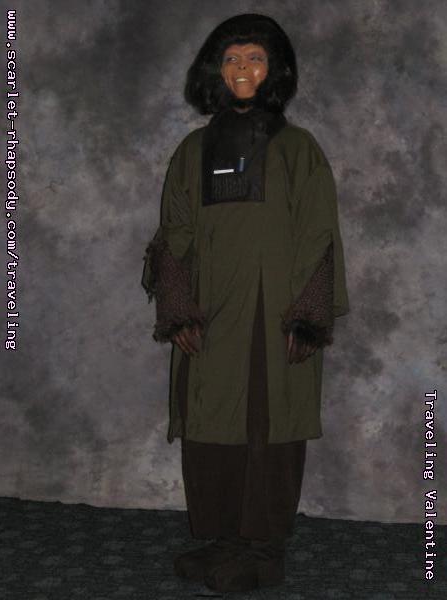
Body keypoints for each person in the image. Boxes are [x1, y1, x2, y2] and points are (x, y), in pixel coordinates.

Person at [141, 13, 350, 593]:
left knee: (266, 421)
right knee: (210, 421)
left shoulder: (298, 149)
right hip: (209, 312)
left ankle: (261, 549)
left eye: (255, 58)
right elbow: (174, 231)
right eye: (232, 59)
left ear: (274, 69)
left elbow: (319, 234)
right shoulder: (192, 150)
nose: (242, 69)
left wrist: (309, 316)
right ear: (214, 68)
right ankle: (224, 540)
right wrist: (177, 307)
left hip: (274, 313)